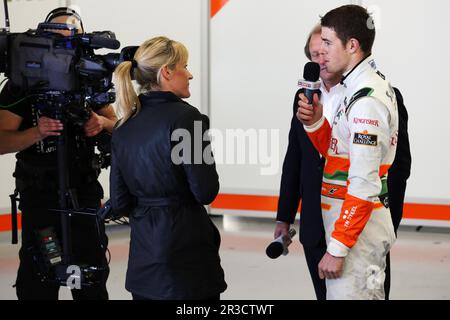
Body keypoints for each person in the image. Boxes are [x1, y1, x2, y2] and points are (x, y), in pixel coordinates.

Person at [275, 23, 411, 299]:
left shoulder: (372, 97)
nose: (321, 58)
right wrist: (284, 215)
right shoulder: (304, 98)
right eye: (315, 53)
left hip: (360, 226)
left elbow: (397, 167)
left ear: (348, 48)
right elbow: (295, 159)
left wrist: (385, 221)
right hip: (316, 225)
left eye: (327, 48)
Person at [0, 7, 116, 300]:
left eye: (71, 36)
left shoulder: (90, 77)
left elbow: (117, 127)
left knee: (90, 277)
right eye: (57, 36)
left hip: (84, 194)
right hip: (40, 197)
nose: (64, 43)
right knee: (39, 277)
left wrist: (100, 122)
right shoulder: (21, 83)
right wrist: (36, 132)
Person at [110, 36, 227, 300]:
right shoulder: (188, 118)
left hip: (143, 255)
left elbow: (118, 202)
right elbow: (206, 191)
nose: (190, 75)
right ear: (167, 72)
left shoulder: (123, 125)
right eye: (185, 66)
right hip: (186, 252)